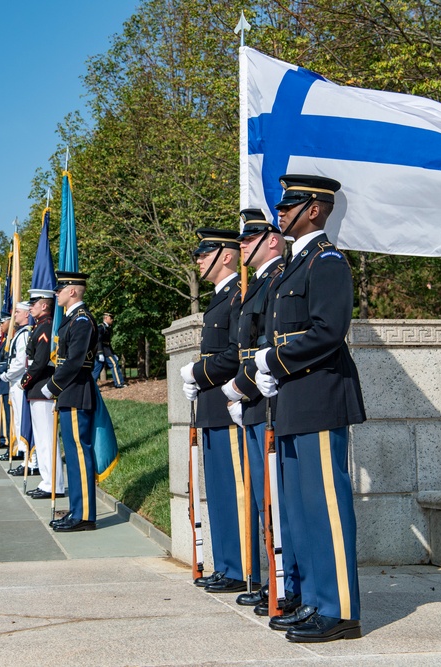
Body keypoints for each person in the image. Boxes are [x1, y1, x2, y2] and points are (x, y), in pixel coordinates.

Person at [254, 174, 366, 643]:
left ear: (315, 210)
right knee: (301, 510)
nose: (280, 213)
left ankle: (340, 609)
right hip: (294, 400)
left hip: (320, 397)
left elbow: (327, 331)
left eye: (290, 204)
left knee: (327, 508)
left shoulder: (329, 262)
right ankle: (316, 600)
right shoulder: (292, 267)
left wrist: (273, 360)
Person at [223, 209, 289, 609]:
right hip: (251, 398)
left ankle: (282, 581)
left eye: (249, 238)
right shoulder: (257, 285)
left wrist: (240, 387)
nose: (242, 244)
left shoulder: (278, 279)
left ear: (272, 240)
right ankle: (271, 579)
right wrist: (237, 391)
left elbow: (268, 345)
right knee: (261, 497)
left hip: (268, 397)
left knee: (273, 498)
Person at [179, 229, 247, 594]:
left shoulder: (238, 295)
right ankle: (225, 564)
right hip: (211, 407)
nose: (199, 259)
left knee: (234, 491)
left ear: (227, 255)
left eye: (205, 253)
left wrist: (196, 373)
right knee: (218, 492)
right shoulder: (219, 299)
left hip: (227, 406)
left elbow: (235, 354)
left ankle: (240, 566)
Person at [43, 271, 100, 532]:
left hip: (76, 391)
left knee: (79, 455)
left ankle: (85, 514)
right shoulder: (72, 319)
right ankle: (77, 510)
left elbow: (76, 362)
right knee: (74, 458)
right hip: (69, 392)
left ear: (73, 291)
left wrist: (51, 387)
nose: (57, 293)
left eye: (60, 289)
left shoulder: (82, 320)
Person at [17, 290, 56, 485]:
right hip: (37, 388)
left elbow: (40, 361)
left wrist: (26, 380)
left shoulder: (46, 327)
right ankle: (47, 481)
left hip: (42, 386)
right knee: (41, 439)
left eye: (34, 303)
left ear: (44, 305)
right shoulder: (38, 326)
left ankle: (53, 484)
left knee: (46, 439)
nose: (30, 307)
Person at [1, 301, 33, 466]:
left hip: (20, 381)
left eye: (18, 312)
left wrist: (7, 375)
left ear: (27, 314)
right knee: (18, 420)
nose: (14, 315)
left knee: (22, 419)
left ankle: (26, 455)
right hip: (15, 382)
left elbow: (21, 362)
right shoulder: (21, 334)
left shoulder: (25, 334)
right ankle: (22, 453)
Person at [91, 313, 126, 388]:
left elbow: (108, 343)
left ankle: (91, 387)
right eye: (111, 318)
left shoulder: (107, 328)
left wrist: (114, 353)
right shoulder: (101, 327)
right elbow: (99, 340)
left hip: (105, 350)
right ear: (106, 318)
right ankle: (119, 383)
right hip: (103, 351)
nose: (112, 320)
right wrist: (100, 353)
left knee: (97, 369)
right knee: (114, 363)